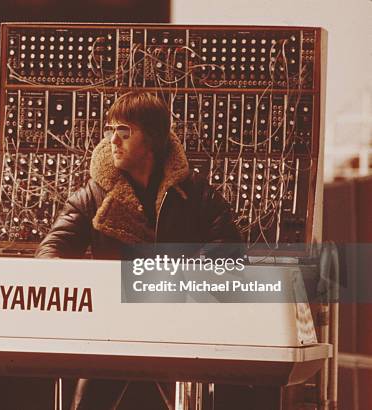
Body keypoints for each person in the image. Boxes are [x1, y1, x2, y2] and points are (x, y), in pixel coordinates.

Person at [34, 92, 243, 409]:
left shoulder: (195, 192)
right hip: (113, 330)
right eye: (110, 129)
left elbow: (228, 251)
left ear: (154, 140)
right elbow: (51, 250)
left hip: (181, 330)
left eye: (124, 131)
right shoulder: (93, 194)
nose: (112, 141)